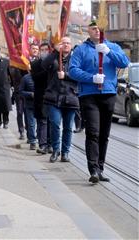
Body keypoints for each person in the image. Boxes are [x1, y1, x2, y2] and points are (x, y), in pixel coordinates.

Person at [69, 20, 130, 183]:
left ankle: (100, 168)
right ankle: (93, 169)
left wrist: (109, 51)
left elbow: (124, 62)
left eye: (99, 28)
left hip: (108, 93)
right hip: (89, 95)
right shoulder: (81, 49)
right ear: (88, 31)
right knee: (93, 132)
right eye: (93, 28)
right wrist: (91, 78)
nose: (97, 31)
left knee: (104, 134)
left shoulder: (113, 46)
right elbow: (73, 70)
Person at [42, 36, 79, 163]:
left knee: (68, 127)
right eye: (63, 43)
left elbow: (79, 76)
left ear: (71, 45)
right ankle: (55, 150)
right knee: (55, 124)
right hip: (54, 97)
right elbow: (44, 65)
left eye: (68, 43)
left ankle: (65, 153)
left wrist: (66, 75)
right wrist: (55, 52)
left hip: (70, 97)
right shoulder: (54, 57)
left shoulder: (75, 59)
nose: (66, 45)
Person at [31, 42, 52, 154]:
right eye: (42, 50)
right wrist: (46, 69)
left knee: (52, 121)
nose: (44, 52)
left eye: (46, 49)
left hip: (52, 96)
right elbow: (35, 78)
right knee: (43, 121)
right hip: (40, 96)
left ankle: (50, 144)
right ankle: (43, 144)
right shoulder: (35, 64)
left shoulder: (54, 63)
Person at [18, 73, 36, 149]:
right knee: (31, 123)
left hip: (41, 104)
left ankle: (43, 142)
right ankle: (32, 141)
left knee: (42, 124)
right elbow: (21, 91)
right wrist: (31, 94)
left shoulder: (42, 76)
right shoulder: (25, 78)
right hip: (29, 105)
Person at [10, 66, 25, 139]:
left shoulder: (27, 64)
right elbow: (10, 78)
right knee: (19, 112)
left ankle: (29, 131)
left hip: (27, 92)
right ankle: (21, 131)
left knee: (28, 114)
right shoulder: (13, 67)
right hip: (18, 92)